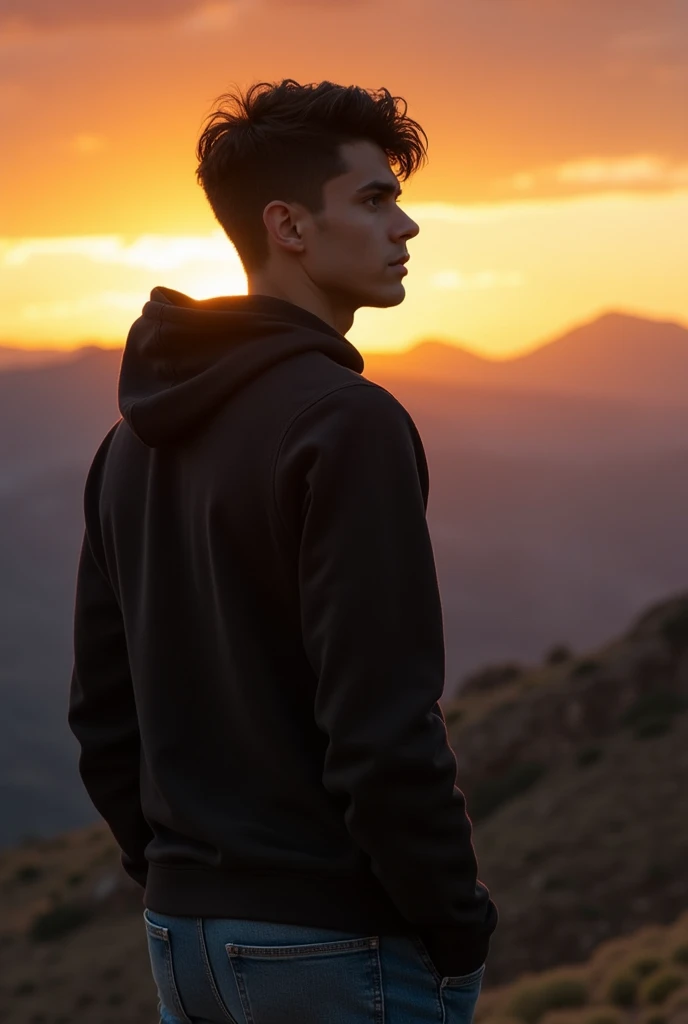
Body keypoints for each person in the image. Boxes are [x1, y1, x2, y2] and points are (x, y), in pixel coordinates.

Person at [68, 78, 498, 1024]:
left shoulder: (126, 443)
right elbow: (382, 726)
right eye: (376, 199)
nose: (409, 226)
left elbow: (103, 717)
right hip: (338, 949)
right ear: (289, 226)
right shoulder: (348, 424)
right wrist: (456, 924)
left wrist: (185, 877)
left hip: (184, 944)